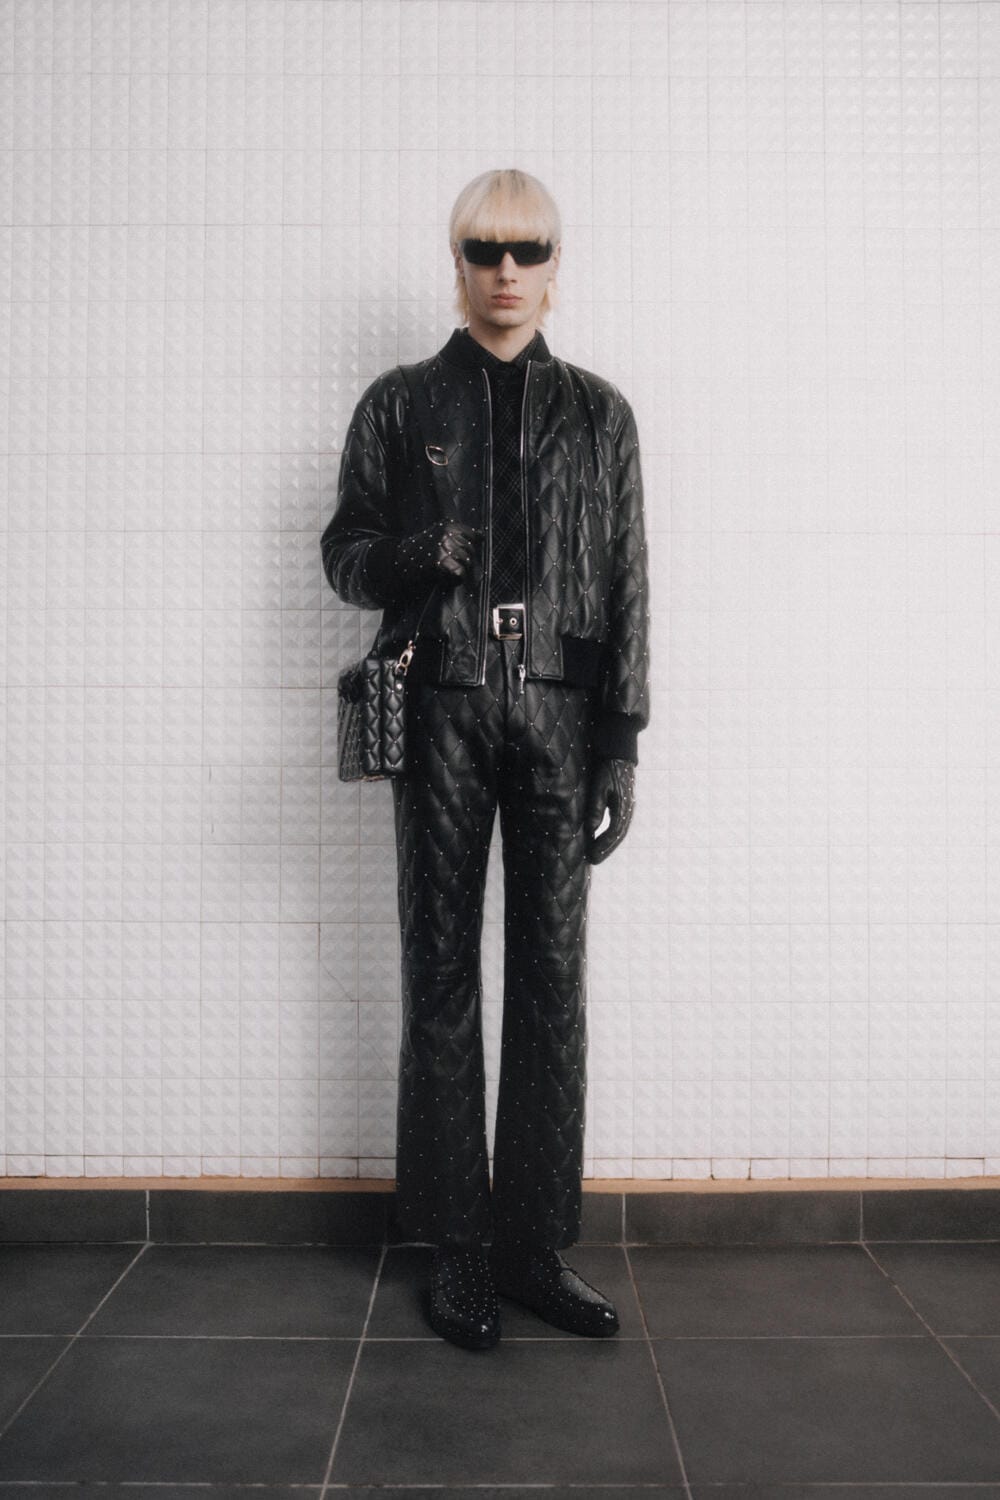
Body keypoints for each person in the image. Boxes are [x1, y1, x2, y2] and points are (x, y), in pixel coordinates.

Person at [321, 167, 650, 1351]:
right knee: (441, 970)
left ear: (555, 266)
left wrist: (621, 741)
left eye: (527, 250)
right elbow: (345, 556)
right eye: (483, 249)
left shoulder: (601, 415)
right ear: (456, 262)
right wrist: (420, 550)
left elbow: (628, 580)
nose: (505, 271)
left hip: (559, 714)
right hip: (444, 706)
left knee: (552, 977)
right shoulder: (401, 403)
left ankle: (531, 1245)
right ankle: (459, 1243)